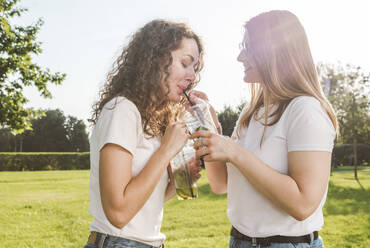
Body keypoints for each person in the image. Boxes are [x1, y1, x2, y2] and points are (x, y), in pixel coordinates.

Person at [190, 10, 338, 248]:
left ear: (275, 51)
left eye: (248, 47)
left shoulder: (305, 110)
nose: (240, 56)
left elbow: (303, 204)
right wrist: (207, 122)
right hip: (239, 241)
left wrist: (235, 152)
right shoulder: (251, 114)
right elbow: (220, 184)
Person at [84, 20, 203, 248]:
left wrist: (175, 183)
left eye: (195, 68)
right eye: (185, 63)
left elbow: (143, 202)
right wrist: (167, 150)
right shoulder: (122, 109)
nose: (192, 77)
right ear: (156, 60)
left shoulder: (151, 118)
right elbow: (118, 213)